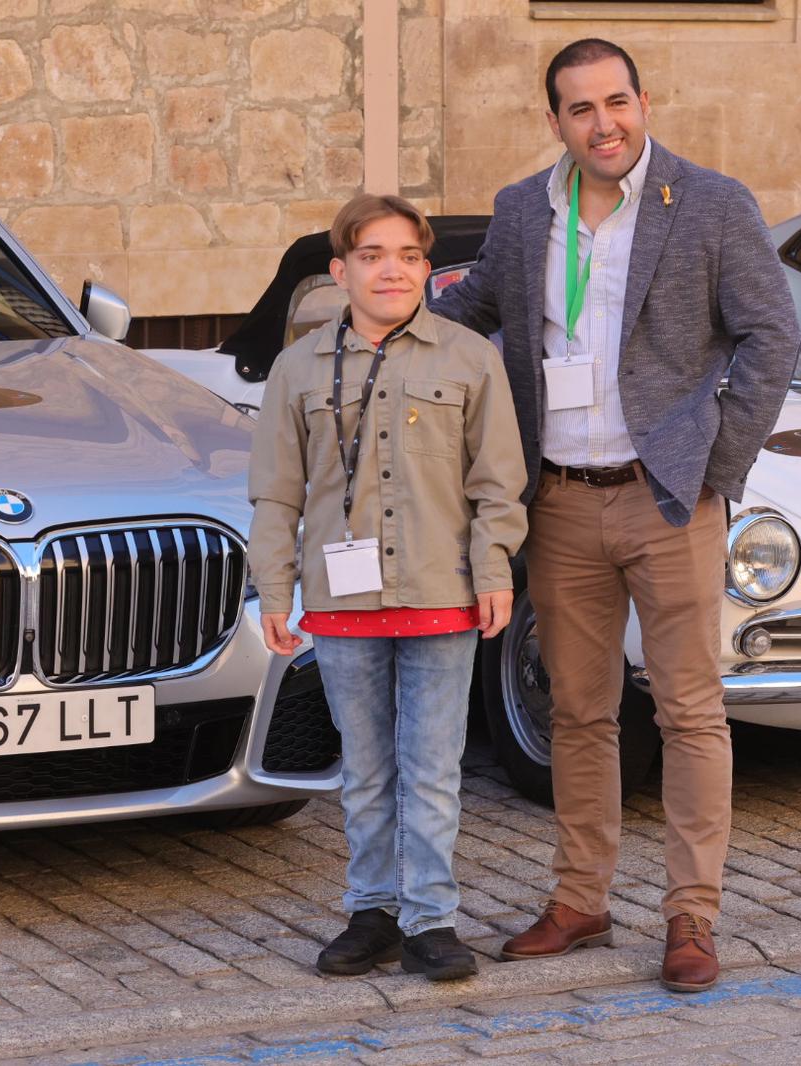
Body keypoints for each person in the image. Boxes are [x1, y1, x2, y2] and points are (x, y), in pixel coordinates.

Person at [431, 38, 800, 992]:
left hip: (669, 495)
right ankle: (580, 900)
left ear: (645, 100)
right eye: (581, 109)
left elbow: (772, 335)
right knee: (578, 712)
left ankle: (691, 919)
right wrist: (375, 320)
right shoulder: (522, 213)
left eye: (617, 102)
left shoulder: (712, 203)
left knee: (689, 712)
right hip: (558, 499)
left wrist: (720, 462)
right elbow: (471, 310)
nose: (604, 124)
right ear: (553, 120)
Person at [247, 193, 527, 982]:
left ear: (426, 270)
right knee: (366, 769)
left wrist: (495, 567)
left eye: (408, 255)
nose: (391, 269)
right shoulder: (297, 368)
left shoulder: (470, 358)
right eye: (372, 255)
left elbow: (498, 483)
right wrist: (274, 591)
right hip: (341, 605)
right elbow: (277, 490)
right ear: (341, 271)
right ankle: (371, 913)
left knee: (433, 768)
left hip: (442, 590)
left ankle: (431, 919)